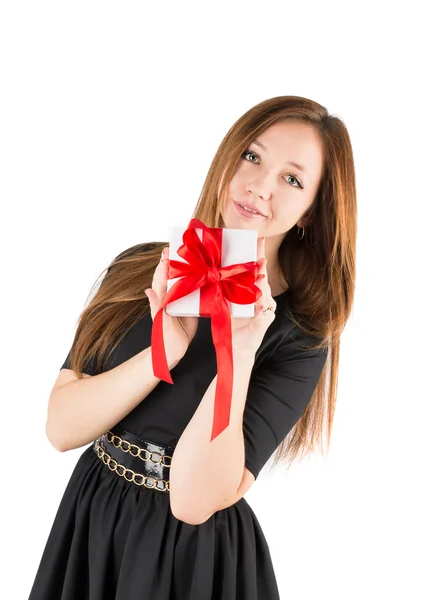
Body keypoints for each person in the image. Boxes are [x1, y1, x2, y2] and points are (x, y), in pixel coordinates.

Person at [28, 95, 357, 599]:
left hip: (194, 561)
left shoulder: (301, 338)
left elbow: (192, 499)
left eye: (292, 179)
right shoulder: (140, 268)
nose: (259, 186)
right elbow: (60, 427)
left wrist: (239, 353)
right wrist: (164, 354)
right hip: (93, 520)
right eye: (252, 156)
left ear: (312, 212)